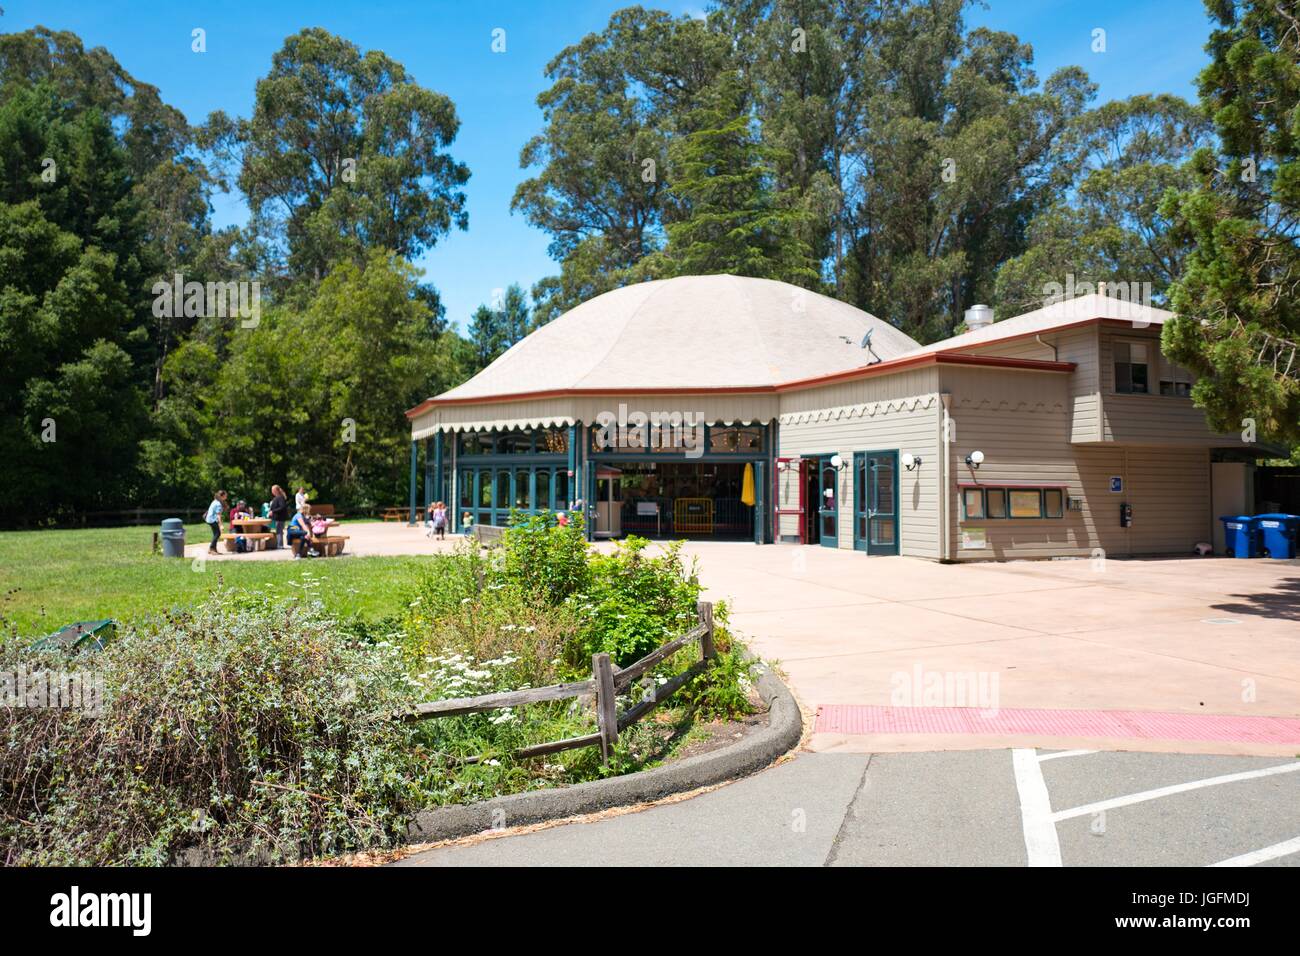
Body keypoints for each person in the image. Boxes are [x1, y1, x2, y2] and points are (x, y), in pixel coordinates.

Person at [269, 485, 290, 549]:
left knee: (279, 531)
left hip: (280, 518)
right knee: (279, 531)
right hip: (278, 517)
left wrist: (273, 511)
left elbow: (282, 507)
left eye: (272, 490)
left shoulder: (280, 497)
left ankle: (280, 545)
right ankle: (279, 545)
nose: (272, 491)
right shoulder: (277, 497)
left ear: (276, 490)